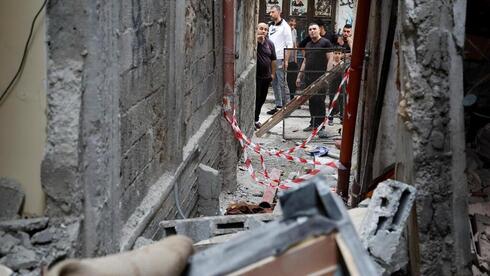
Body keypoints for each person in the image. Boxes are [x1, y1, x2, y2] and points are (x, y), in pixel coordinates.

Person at [296, 23, 333, 134]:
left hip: (320, 77)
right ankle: (313, 123)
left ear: (319, 30)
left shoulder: (325, 42)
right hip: (308, 77)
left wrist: (327, 75)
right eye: (310, 29)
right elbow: (305, 61)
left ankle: (320, 125)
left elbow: (330, 59)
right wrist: (299, 76)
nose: (312, 31)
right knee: (311, 101)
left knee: (319, 101)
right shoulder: (308, 45)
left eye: (314, 29)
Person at [267, 5, 293, 115]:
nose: (270, 14)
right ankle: (278, 106)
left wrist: (285, 61)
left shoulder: (285, 26)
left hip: (280, 59)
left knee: (282, 83)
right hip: (271, 59)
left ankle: (286, 108)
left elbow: (289, 45)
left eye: (272, 12)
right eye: (270, 12)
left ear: (279, 12)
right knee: (274, 83)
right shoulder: (271, 25)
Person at [255, 23, 277, 129]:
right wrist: (256, 40)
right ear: (256, 29)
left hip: (266, 77)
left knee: (262, 99)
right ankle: (253, 119)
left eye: (265, 29)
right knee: (256, 98)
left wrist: (272, 74)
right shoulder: (252, 42)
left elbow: (273, 60)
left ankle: (256, 119)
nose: (263, 31)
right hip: (256, 77)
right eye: (261, 29)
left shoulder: (270, 43)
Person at [326, 48, 344, 125]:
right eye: (335, 53)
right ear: (333, 54)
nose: (337, 55)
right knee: (332, 101)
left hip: (342, 85)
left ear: (341, 55)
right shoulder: (331, 63)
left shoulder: (343, 63)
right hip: (332, 86)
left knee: (341, 101)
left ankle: (342, 118)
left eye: (339, 53)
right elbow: (328, 72)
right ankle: (330, 118)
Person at [286, 17, 299, 100]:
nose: (293, 26)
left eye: (294, 24)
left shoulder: (294, 31)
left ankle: (292, 97)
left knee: (292, 79)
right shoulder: (284, 31)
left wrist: (295, 58)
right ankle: (285, 99)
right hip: (285, 59)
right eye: (291, 24)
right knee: (286, 80)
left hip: (292, 59)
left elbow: (295, 45)